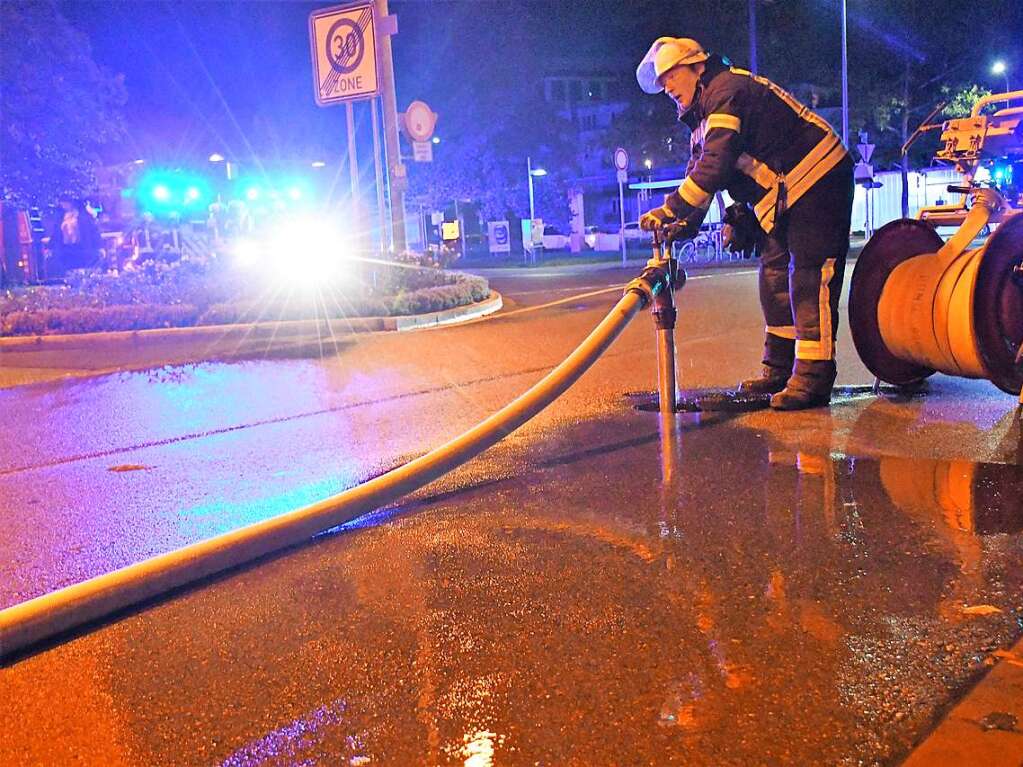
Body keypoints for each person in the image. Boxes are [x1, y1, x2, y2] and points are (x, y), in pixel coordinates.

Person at [636, 38, 854, 410]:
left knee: (809, 275)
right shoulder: (703, 116)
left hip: (819, 178)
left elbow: (715, 165)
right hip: (789, 191)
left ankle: (814, 378)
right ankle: (780, 369)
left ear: (697, 67)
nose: (668, 87)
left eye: (672, 76)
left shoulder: (726, 91)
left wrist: (669, 210)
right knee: (773, 273)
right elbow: (703, 172)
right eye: (662, 83)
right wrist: (683, 225)